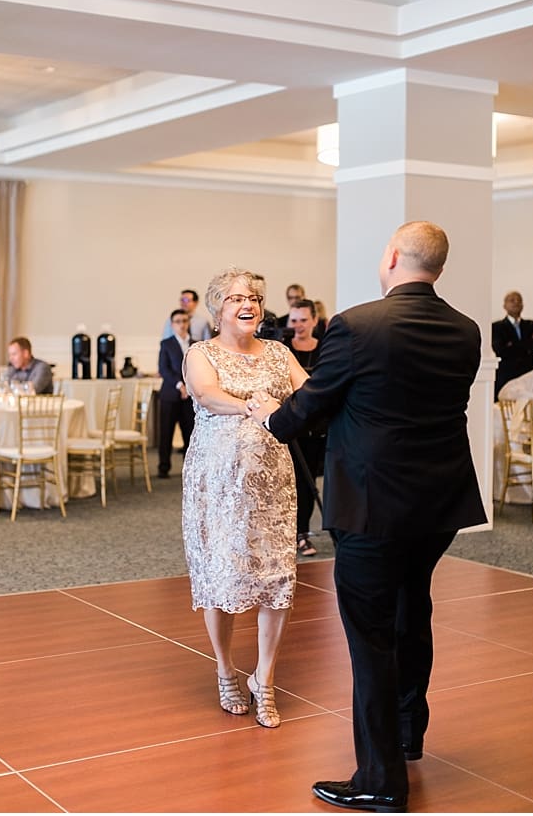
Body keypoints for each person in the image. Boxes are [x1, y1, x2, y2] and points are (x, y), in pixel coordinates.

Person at [249, 221, 486, 813]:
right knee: (413, 610)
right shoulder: (466, 330)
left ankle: (380, 779)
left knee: (371, 634)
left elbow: (311, 408)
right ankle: (407, 735)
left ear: (392, 257)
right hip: (439, 504)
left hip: (373, 506)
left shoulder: (356, 325)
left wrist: (269, 412)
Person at [181, 268, 307, 731]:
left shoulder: (278, 352)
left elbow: (308, 391)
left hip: (273, 481)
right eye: (235, 298)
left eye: (253, 296)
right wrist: (253, 405)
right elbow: (207, 394)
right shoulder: (202, 353)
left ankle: (265, 678)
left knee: (276, 576)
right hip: (217, 484)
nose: (247, 303)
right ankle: (224, 669)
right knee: (222, 575)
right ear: (218, 310)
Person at [283, 300, 326, 557]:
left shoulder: (324, 349)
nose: (298, 326)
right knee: (286, 482)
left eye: (302, 320)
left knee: (307, 483)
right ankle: (286, 534)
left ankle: (303, 533)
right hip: (287, 424)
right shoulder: (282, 349)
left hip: (313, 426)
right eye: (294, 320)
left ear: (313, 320)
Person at [156, 309, 194, 479]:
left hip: (190, 397)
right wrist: (180, 386)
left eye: (184, 320)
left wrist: (190, 387)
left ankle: (190, 467)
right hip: (170, 395)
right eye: (178, 321)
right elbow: (164, 369)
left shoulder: (196, 344)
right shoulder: (166, 344)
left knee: (190, 433)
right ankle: (163, 467)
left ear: (188, 323)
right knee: (166, 433)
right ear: (172, 325)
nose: (182, 324)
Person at [492, 290, 533, 399]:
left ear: (523, 305)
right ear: (505, 305)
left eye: (519, 300)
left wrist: (512, 344)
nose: (516, 303)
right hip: (506, 376)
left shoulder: (532, 325)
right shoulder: (497, 327)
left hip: (527, 375)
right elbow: (499, 349)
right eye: (512, 300)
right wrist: (527, 345)